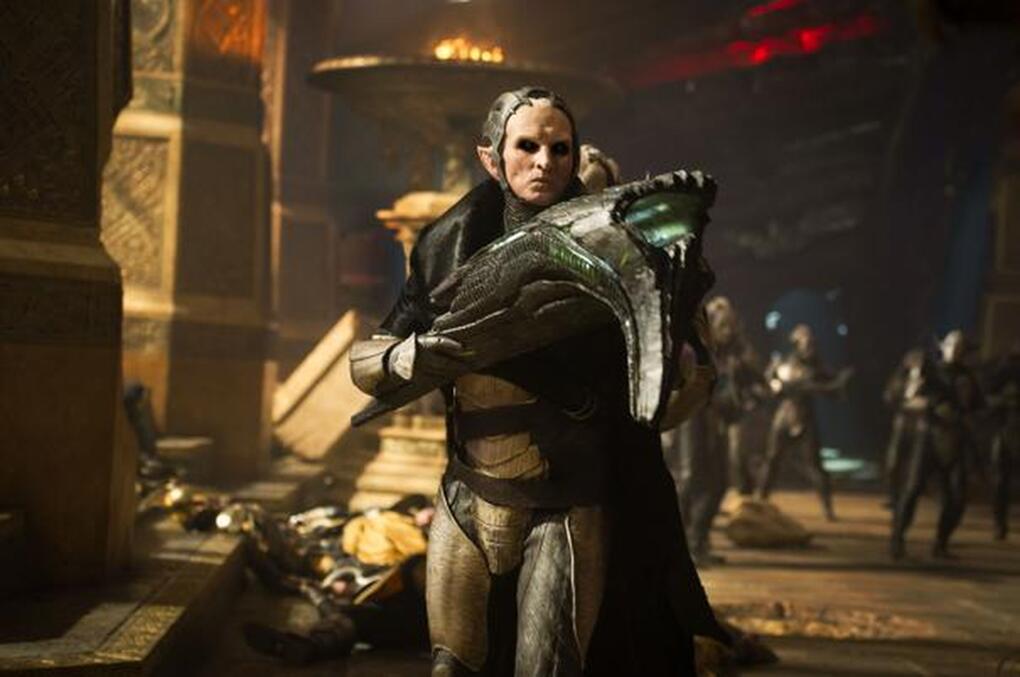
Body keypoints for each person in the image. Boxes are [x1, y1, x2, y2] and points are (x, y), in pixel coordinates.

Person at [349, 86, 728, 676]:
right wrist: (420, 355)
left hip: (566, 504)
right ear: (491, 157)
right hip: (467, 495)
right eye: (527, 147)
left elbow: (671, 392)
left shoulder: (621, 253)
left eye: (560, 149)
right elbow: (369, 363)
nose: (544, 162)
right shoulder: (447, 246)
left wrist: (680, 359)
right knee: (453, 667)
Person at [665, 296, 767, 565]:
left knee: (718, 483)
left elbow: (756, 381)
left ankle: (698, 541)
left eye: (730, 324)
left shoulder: (733, 354)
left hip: (715, 421)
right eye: (722, 324)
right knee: (691, 480)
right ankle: (686, 546)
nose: (728, 329)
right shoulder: (695, 350)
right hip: (692, 420)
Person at [891, 330, 984, 559]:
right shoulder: (932, 371)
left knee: (957, 497)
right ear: (943, 346)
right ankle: (897, 540)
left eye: (960, 345)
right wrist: (921, 396)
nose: (955, 349)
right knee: (912, 489)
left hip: (955, 441)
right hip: (929, 438)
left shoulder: (968, 376)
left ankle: (941, 544)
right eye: (951, 343)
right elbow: (908, 397)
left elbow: (978, 406)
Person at [756, 324, 852, 521]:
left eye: (810, 342)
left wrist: (836, 385)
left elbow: (834, 389)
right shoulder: (784, 363)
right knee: (772, 460)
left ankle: (828, 509)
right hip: (784, 416)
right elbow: (773, 386)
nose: (809, 346)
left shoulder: (816, 366)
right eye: (804, 342)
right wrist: (774, 381)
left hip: (805, 416)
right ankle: (759, 501)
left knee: (814, 465)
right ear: (796, 344)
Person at [881, 348, 927, 510]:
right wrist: (906, 400)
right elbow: (889, 397)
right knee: (893, 464)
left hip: (921, 429)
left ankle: (906, 501)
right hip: (902, 426)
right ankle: (894, 498)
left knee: (913, 469)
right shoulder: (900, 379)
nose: (917, 365)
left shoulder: (930, 381)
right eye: (914, 362)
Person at [986, 344, 1019, 541]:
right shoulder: (1004, 369)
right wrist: (1006, 400)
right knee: (1000, 481)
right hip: (1005, 430)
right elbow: (986, 397)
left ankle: (1000, 524)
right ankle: (1000, 524)